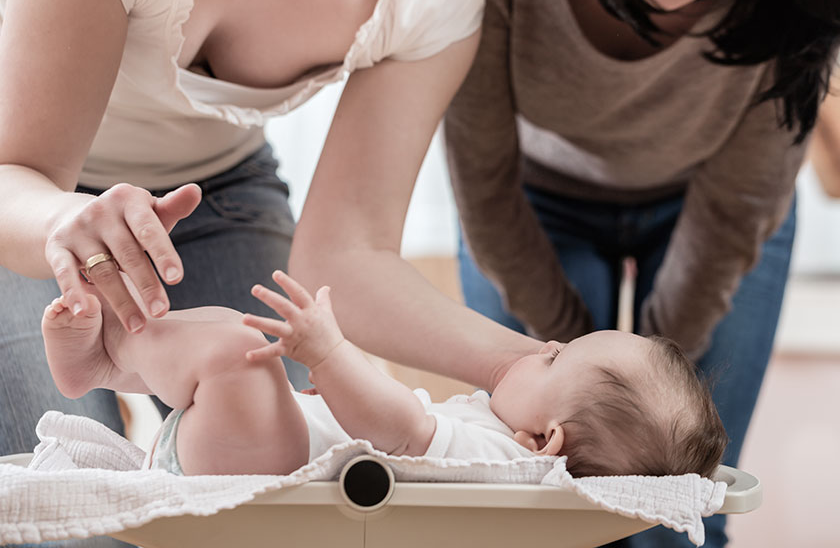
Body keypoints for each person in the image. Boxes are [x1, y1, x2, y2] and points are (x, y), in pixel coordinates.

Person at [0, 0, 487, 508]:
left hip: (215, 187)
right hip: (22, 200)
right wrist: (61, 220)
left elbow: (351, 257)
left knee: (295, 490)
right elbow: (18, 172)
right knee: (60, 507)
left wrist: (533, 365)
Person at [438, 0, 840, 547]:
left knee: (677, 511)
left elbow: (732, 214)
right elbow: (485, 182)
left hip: (714, 209)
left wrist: (651, 375)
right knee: (526, 497)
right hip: (530, 203)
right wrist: (569, 361)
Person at [41, 270, 727, 479]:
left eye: (555, 358)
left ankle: (107, 361)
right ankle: (112, 361)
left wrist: (329, 354)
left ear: (546, 440)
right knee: (236, 341)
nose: (543, 343)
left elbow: (400, 427)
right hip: (258, 454)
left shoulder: (499, 465)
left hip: (258, 471)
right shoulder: (497, 435)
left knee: (231, 350)